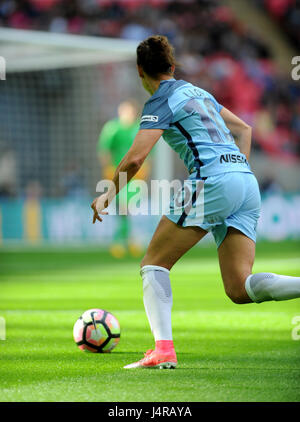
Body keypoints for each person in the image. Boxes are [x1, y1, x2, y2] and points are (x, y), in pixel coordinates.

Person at [91, 35, 300, 369]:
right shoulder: (199, 92)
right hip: (246, 182)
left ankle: (163, 350)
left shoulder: (160, 100)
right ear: (172, 67)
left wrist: (107, 194)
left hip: (212, 179)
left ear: (140, 71)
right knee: (239, 288)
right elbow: (244, 129)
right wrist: (237, 172)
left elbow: (134, 159)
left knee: (153, 264)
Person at [98, 99, 151, 258]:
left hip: (134, 176)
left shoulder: (138, 129)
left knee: (127, 209)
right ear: (120, 112)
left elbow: (147, 151)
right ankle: (124, 241)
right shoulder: (112, 129)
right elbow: (104, 151)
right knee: (123, 208)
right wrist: (107, 169)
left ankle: (123, 240)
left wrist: (146, 170)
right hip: (117, 175)